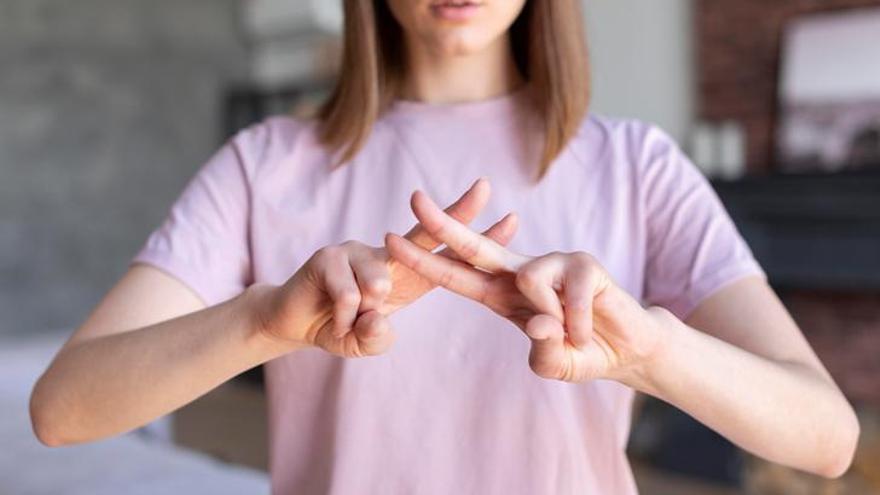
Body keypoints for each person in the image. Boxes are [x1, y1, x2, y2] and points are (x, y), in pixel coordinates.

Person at [30, 0, 859, 493]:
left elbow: (826, 437)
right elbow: (63, 408)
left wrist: (648, 350)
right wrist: (264, 321)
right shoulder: (264, 164)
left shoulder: (635, 165)